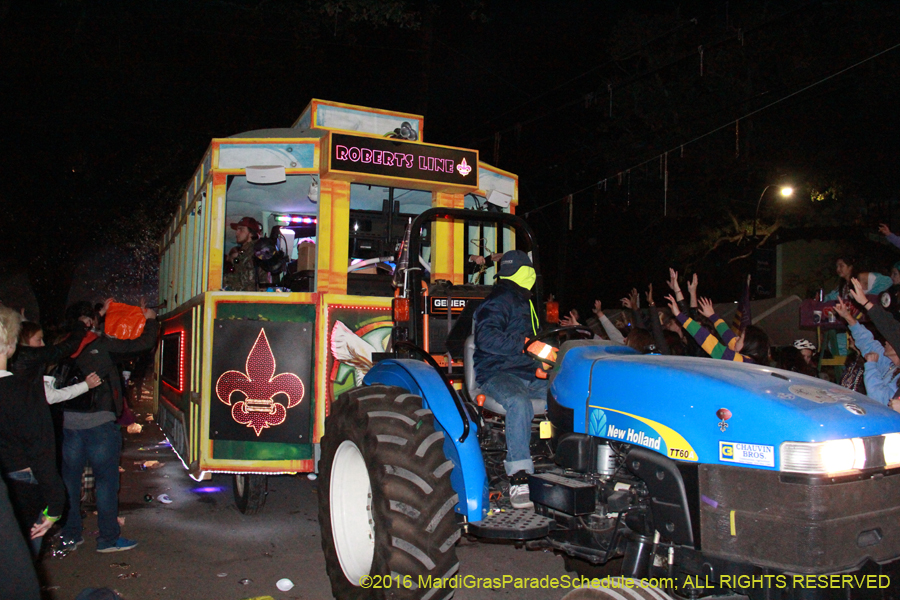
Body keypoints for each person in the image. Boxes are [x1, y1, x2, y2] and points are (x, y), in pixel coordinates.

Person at [59, 300, 159, 553]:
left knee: (70, 482)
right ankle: (108, 539)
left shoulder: (58, 345)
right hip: (100, 424)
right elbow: (141, 345)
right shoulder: (100, 344)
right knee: (105, 483)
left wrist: (97, 315)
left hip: (69, 423)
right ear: (91, 322)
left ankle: (70, 535)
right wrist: (150, 320)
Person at [473, 250, 544, 509]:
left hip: (526, 371)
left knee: (568, 393)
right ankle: (519, 477)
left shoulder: (523, 300)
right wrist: (525, 345)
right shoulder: (500, 300)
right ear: (524, 272)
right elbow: (486, 339)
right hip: (497, 371)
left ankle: (568, 464)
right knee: (518, 401)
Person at [0, 307, 67, 557]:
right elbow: (41, 451)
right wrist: (55, 506)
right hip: (20, 484)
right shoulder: (23, 391)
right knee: (19, 560)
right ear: (11, 345)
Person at [224, 216, 262, 291]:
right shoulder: (245, 252)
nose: (237, 232)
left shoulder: (255, 252)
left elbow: (248, 280)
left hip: (252, 299)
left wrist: (223, 279)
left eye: (241, 229)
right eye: (237, 229)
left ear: (251, 233)